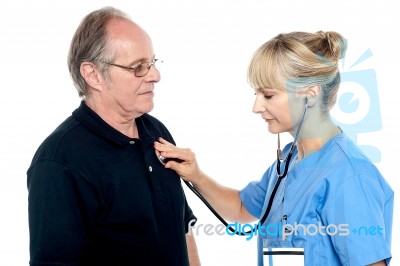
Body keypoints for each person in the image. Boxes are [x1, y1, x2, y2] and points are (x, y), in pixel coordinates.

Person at [154, 31, 393, 265]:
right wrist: (196, 175)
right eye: (256, 93)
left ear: (310, 94)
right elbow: (240, 208)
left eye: (268, 95)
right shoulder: (289, 161)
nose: (256, 107)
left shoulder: (349, 177)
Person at [27, 7, 200, 266]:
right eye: (138, 67)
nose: (155, 76)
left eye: (152, 63)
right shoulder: (59, 162)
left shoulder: (155, 131)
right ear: (93, 75)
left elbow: (183, 227)